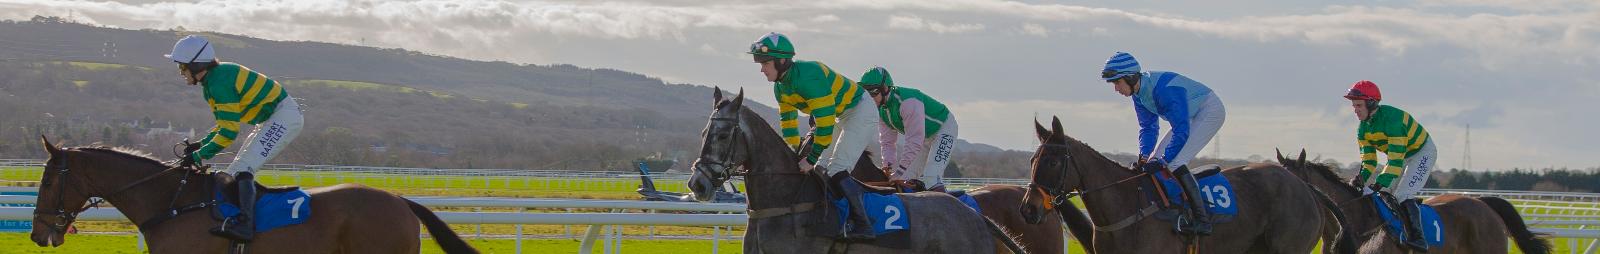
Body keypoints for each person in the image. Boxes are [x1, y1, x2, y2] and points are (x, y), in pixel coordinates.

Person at [168, 35, 304, 242]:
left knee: (242, 170)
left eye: (182, 67)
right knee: (232, 173)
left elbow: (229, 133)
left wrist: (198, 156)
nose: (180, 72)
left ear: (196, 65)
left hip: (282, 117)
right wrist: (201, 145)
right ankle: (238, 221)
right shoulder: (213, 80)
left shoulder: (219, 83)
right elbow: (225, 126)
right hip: (272, 119)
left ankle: (246, 227)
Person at [747, 32, 880, 240]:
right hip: (841, 114)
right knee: (821, 168)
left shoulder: (809, 76)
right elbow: (789, 123)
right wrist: (793, 151)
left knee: (836, 168)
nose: (762, 69)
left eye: (765, 63)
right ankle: (833, 216)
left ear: (782, 61)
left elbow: (824, 122)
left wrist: (810, 157)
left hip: (861, 110)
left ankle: (864, 225)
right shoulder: (780, 88)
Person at [1101, 51, 1226, 235]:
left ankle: (1202, 220)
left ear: (1130, 77)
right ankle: (1170, 207)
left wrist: (1164, 160)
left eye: (1117, 82)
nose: (1116, 89)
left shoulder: (1164, 91)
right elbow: (1148, 127)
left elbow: (1181, 131)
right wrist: (1144, 157)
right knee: (1154, 159)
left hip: (1209, 110)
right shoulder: (1138, 94)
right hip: (1190, 115)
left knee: (1174, 162)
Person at [1344, 80, 1435, 250]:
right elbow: (1369, 162)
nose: (1355, 110)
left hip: (1421, 153)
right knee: (1383, 195)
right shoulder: (1363, 129)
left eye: (1358, 105)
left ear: (1371, 103)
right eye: (1354, 106)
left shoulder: (1393, 120)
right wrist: (1360, 179)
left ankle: (1418, 238)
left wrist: (1379, 183)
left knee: (1402, 194)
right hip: (1401, 157)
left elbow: (1395, 161)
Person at [858, 67, 958, 192]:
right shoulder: (882, 110)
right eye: (866, 92)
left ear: (885, 89)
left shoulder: (908, 102)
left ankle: (951, 210)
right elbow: (887, 142)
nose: (869, 97)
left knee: (931, 177)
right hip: (924, 137)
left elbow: (914, 141)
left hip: (944, 129)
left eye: (872, 92)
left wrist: (899, 171)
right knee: (904, 180)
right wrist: (887, 166)